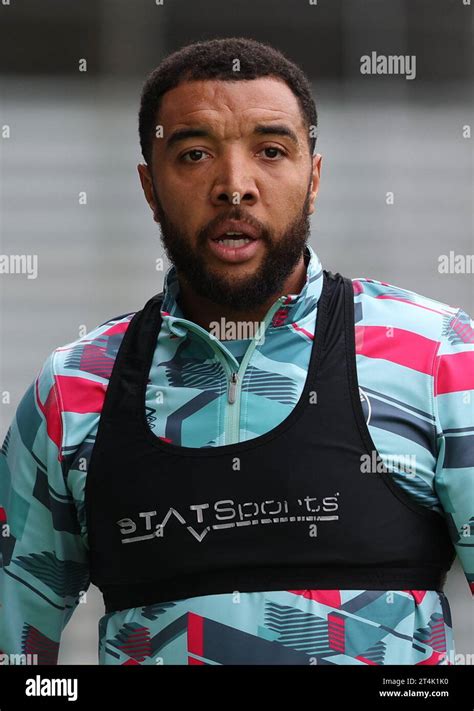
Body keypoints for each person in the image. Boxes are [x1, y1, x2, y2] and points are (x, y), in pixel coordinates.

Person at [0, 37, 472, 666]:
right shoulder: (73, 388)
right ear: (149, 186)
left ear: (314, 178)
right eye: (194, 154)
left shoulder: (436, 356)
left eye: (271, 151)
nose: (234, 186)